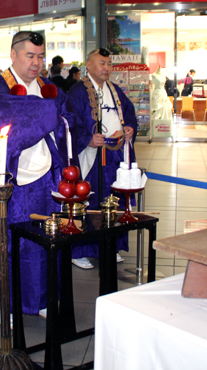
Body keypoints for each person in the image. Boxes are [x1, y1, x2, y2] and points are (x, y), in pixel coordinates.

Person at [0, 31, 75, 321]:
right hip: (13, 178)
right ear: (13, 55)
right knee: (8, 239)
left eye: (41, 56)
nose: (36, 63)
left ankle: (42, 298)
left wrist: (59, 120)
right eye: (30, 56)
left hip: (46, 174)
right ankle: (3, 302)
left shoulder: (47, 87)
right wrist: (48, 115)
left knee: (46, 238)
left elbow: (65, 120)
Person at [68, 48, 136, 268]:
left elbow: (129, 112)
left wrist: (129, 128)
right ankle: (79, 250)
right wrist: (87, 139)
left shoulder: (114, 90)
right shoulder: (77, 92)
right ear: (88, 65)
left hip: (113, 157)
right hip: (90, 158)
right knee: (88, 202)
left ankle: (110, 245)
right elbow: (68, 122)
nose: (106, 68)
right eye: (101, 63)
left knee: (113, 201)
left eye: (109, 63)